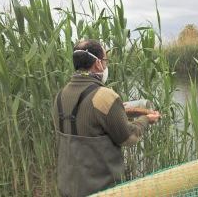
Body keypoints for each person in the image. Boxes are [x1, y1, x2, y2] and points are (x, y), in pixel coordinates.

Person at [53, 39, 161, 197]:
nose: (106, 65)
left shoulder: (60, 96)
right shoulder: (104, 96)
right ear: (97, 63)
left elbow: (85, 119)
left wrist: (120, 110)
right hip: (100, 190)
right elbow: (128, 137)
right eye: (105, 61)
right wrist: (146, 120)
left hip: (68, 188)